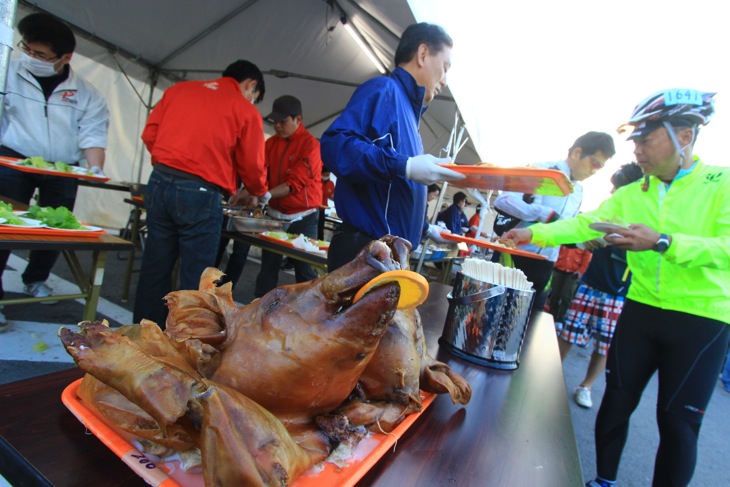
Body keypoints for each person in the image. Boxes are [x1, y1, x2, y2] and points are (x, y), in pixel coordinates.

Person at [503, 89, 729, 487]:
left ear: (685, 136)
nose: (636, 150)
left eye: (646, 139)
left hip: (702, 320)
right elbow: (583, 225)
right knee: (616, 402)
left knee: (677, 424)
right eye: (635, 140)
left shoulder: (720, 183)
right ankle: (602, 481)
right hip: (640, 309)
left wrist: (663, 242)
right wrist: (531, 231)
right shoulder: (632, 193)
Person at [133, 60, 268, 327]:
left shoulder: (178, 90)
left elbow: (150, 135)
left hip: (159, 181)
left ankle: (142, 333)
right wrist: (257, 191)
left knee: (155, 265)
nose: (252, 100)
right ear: (251, 85)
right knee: (197, 276)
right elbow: (252, 166)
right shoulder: (245, 110)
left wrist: (172, 163)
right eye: (255, 96)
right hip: (200, 191)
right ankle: (188, 343)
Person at [320, 22, 464, 271]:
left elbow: (391, 197)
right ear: (422, 54)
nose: (445, 80)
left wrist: (426, 229)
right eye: (445, 67)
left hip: (388, 256)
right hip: (366, 252)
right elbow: (336, 144)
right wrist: (405, 165)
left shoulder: (410, 114)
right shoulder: (384, 90)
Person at [0, 13, 109, 331]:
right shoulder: (8, 72)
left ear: (65, 58)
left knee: (56, 226)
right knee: (6, 226)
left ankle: (36, 278)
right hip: (13, 158)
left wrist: (96, 167)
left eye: (40, 55)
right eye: (28, 50)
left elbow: (93, 135)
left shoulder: (87, 94)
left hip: (62, 166)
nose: (31, 58)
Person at [493, 131, 615, 311]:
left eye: (600, 168)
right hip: (513, 256)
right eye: (595, 163)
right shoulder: (541, 171)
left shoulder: (579, 192)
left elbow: (567, 229)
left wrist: (582, 242)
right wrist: (543, 213)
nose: (594, 171)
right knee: (492, 317)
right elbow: (503, 201)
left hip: (545, 266)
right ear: (576, 153)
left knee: (526, 326)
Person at [558, 162, 644, 409]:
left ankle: (585, 386)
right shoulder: (606, 212)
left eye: (617, 188)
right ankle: (550, 378)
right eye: (613, 188)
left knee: (603, 345)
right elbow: (580, 235)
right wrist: (588, 239)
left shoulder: (644, 219)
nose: (612, 193)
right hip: (590, 283)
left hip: (617, 292)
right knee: (569, 333)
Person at [252, 95, 322, 297]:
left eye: (283, 121)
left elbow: (296, 183)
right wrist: (250, 191)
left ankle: (308, 317)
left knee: (305, 270)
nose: (278, 126)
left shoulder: (311, 145)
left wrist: (265, 194)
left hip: (304, 216)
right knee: (268, 267)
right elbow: (259, 172)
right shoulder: (271, 143)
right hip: (275, 214)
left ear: (298, 119)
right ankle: (259, 311)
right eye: (275, 122)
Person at [547, 244, 592, 328]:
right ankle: (551, 316)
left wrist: (580, 271)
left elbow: (587, 258)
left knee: (566, 296)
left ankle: (561, 319)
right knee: (554, 295)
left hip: (573, 273)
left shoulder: (584, 240)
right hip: (558, 270)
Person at [317, 167, 336, 241]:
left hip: (323, 209)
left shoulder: (331, 183)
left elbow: (331, 195)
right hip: (314, 209)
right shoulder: (317, 180)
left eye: (329, 171)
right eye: (326, 171)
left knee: (320, 230)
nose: (328, 173)